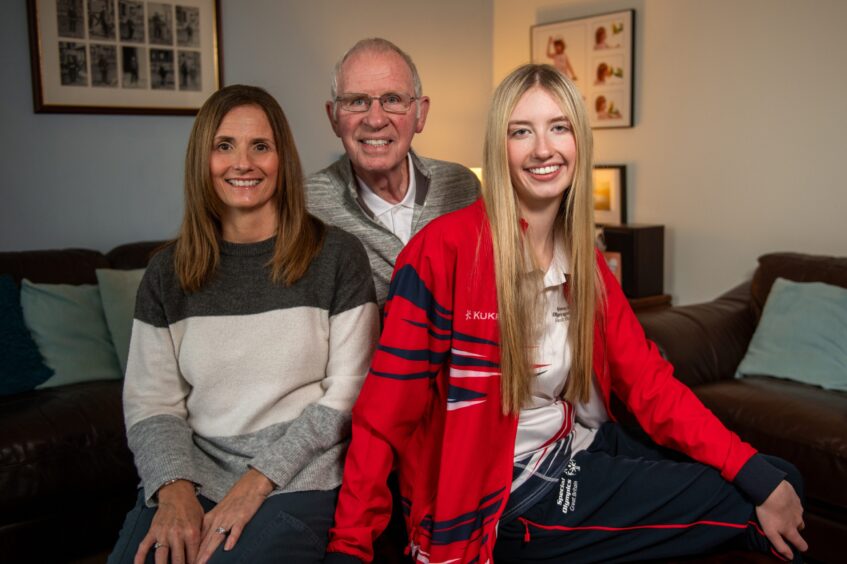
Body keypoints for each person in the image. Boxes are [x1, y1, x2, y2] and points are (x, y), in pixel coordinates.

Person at [324, 64, 807, 563]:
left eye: (559, 127)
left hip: (577, 443)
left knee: (776, 478)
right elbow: (383, 418)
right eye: (521, 131)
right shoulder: (441, 254)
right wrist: (349, 547)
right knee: (751, 506)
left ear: (579, 141)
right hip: (504, 490)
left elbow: (649, 384)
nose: (542, 149)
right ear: (499, 146)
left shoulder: (584, 259)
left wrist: (750, 468)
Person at [108, 85, 379, 564]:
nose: (243, 163)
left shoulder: (337, 257)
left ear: (282, 159)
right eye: (224, 145)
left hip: (300, 478)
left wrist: (257, 481)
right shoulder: (167, 274)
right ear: (203, 160)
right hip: (194, 473)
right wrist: (174, 490)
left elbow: (348, 394)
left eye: (261, 146)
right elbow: (151, 404)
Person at [306, 38, 479, 307]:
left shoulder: (462, 187)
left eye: (392, 99)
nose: (375, 120)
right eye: (357, 101)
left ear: (420, 114)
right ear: (334, 117)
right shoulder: (307, 206)